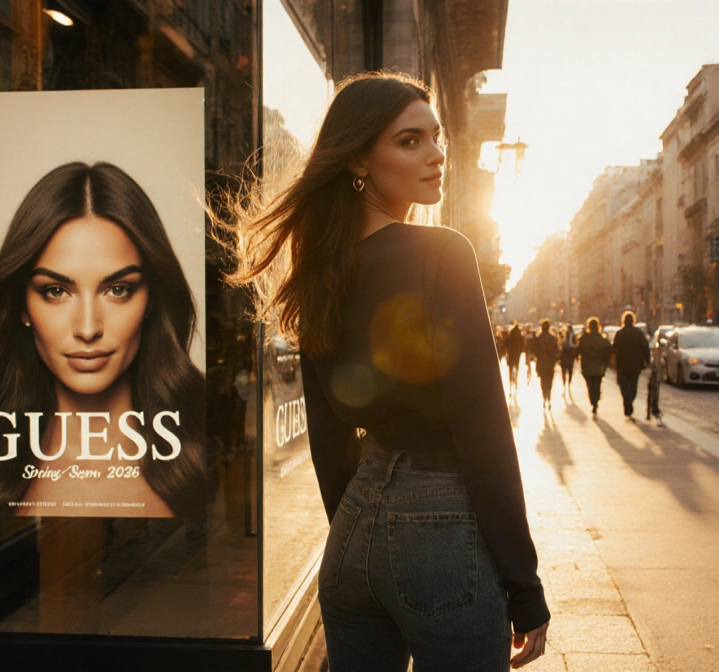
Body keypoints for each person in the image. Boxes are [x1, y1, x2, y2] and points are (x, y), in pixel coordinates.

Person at [221, 72, 549, 671]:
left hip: (352, 532)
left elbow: (328, 440)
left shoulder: (316, 275)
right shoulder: (441, 253)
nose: (436, 155)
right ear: (359, 161)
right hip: (440, 526)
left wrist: (362, 536)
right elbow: (483, 428)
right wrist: (524, 588)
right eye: (410, 141)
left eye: (436, 137)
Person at [0, 162, 207, 518]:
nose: (87, 328)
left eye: (118, 289)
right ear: (22, 306)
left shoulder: (199, 461)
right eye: (55, 291)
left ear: (151, 303)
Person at [612, 311, 651, 420]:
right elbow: (645, 347)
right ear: (633, 321)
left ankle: (627, 403)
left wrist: (614, 362)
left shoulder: (619, 333)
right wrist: (647, 360)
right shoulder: (638, 333)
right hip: (635, 364)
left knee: (623, 385)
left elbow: (614, 349)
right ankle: (629, 402)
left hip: (622, 364)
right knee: (633, 384)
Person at [575, 317, 611, 415]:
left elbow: (578, 350)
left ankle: (593, 400)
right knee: (597, 384)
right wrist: (606, 362)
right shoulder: (602, 339)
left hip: (587, 367)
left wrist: (577, 357)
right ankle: (596, 400)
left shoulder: (584, 338)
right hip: (599, 367)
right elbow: (608, 350)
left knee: (590, 385)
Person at [533, 319, 559, 410]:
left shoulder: (538, 338)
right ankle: (549, 396)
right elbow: (556, 351)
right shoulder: (553, 338)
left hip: (541, 363)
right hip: (550, 364)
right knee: (549, 381)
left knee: (543, 381)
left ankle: (544, 397)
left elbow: (535, 351)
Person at [504, 321, 524, 394]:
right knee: (516, 365)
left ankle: (511, 379)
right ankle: (516, 378)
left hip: (511, 353)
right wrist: (521, 349)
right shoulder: (519, 334)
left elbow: (506, 341)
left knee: (510, 366)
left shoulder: (511, 333)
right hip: (517, 353)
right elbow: (522, 343)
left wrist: (505, 348)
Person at [558, 324, 577, 398]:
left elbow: (559, 343)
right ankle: (569, 383)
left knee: (563, 370)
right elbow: (575, 343)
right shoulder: (573, 334)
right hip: (571, 352)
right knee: (570, 369)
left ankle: (564, 384)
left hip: (564, 352)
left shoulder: (563, 333)